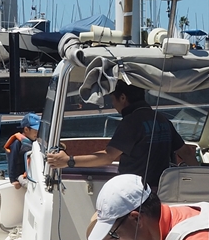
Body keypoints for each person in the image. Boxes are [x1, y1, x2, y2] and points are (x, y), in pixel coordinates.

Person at [47, 80, 185, 189]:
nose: (113, 104)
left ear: (123, 97)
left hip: (135, 192)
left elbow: (108, 157)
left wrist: (68, 161)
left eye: (113, 99)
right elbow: (187, 153)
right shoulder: (162, 119)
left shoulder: (131, 122)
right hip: (162, 191)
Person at [5, 112, 42, 189]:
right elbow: (12, 160)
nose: (37, 133)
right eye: (35, 131)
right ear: (26, 129)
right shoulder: (17, 143)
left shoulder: (36, 142)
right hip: (21, 175)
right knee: (29, 185)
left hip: (33, 173)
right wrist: (13, 180)